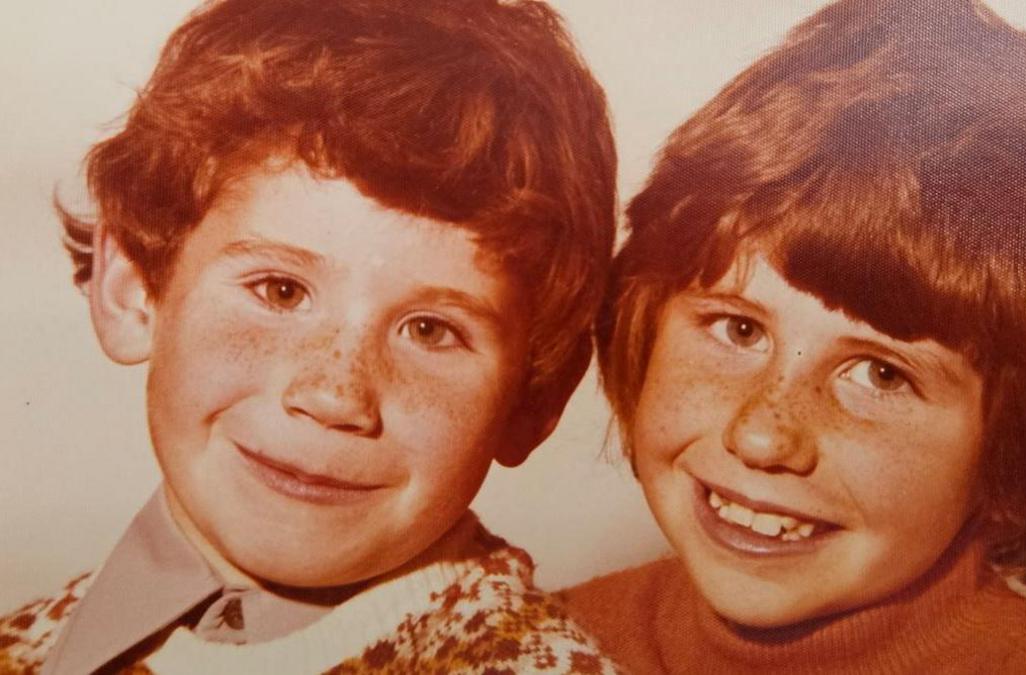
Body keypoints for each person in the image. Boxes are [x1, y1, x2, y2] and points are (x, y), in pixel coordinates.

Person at [561, 0, 1026, 672]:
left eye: (881, 373)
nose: (762, 435)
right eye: (738, 328)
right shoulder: (544, 641)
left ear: (1015, 447)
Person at [0, 0, 619, 672]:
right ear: (131, 289)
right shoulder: (26, 642)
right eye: (280, 290)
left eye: (430, 330)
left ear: (535, 398)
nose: (333, 394)